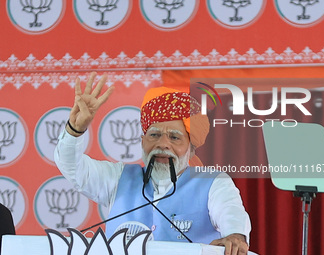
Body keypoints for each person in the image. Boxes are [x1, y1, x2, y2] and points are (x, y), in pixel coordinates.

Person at [54, 72, 251, 255]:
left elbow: (231, 216)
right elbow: (73, 168)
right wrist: (75, 129)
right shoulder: (118, 177)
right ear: (142, 142)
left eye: (175, 138)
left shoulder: (213, 183)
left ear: (191, 149)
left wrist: (234, 236)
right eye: (154, 135)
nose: (163, 144)